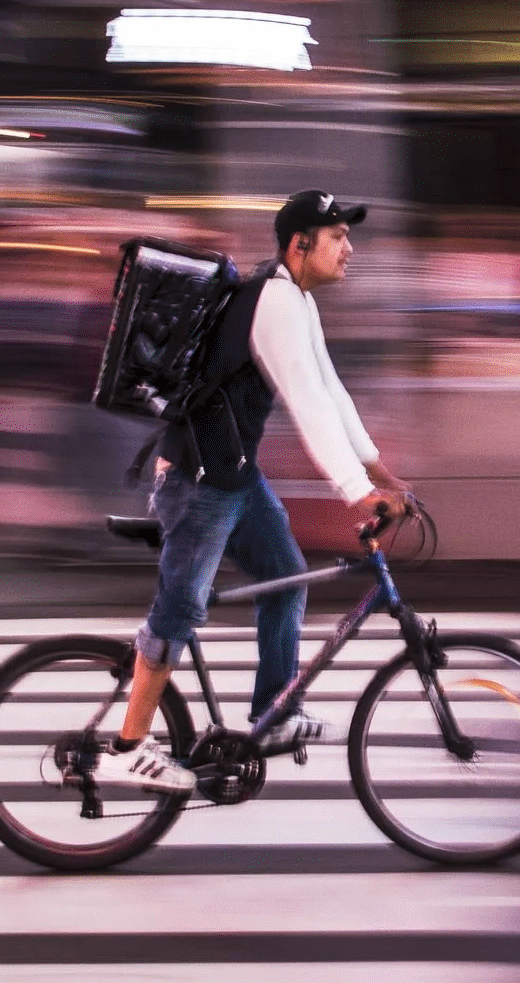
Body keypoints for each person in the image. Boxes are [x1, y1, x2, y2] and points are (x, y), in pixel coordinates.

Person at [99, 191, 411, 793]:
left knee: (286, 576)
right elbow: (306, 403)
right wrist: (355, 491)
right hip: (197, 483)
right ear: (300, 245)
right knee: (181, 611)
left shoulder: (297, 300)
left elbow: (332, 392)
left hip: (233, 478)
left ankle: (273, 713)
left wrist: (381, 474)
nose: (351, 248)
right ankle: (127, 745)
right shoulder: (275, 301)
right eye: (338, 236)